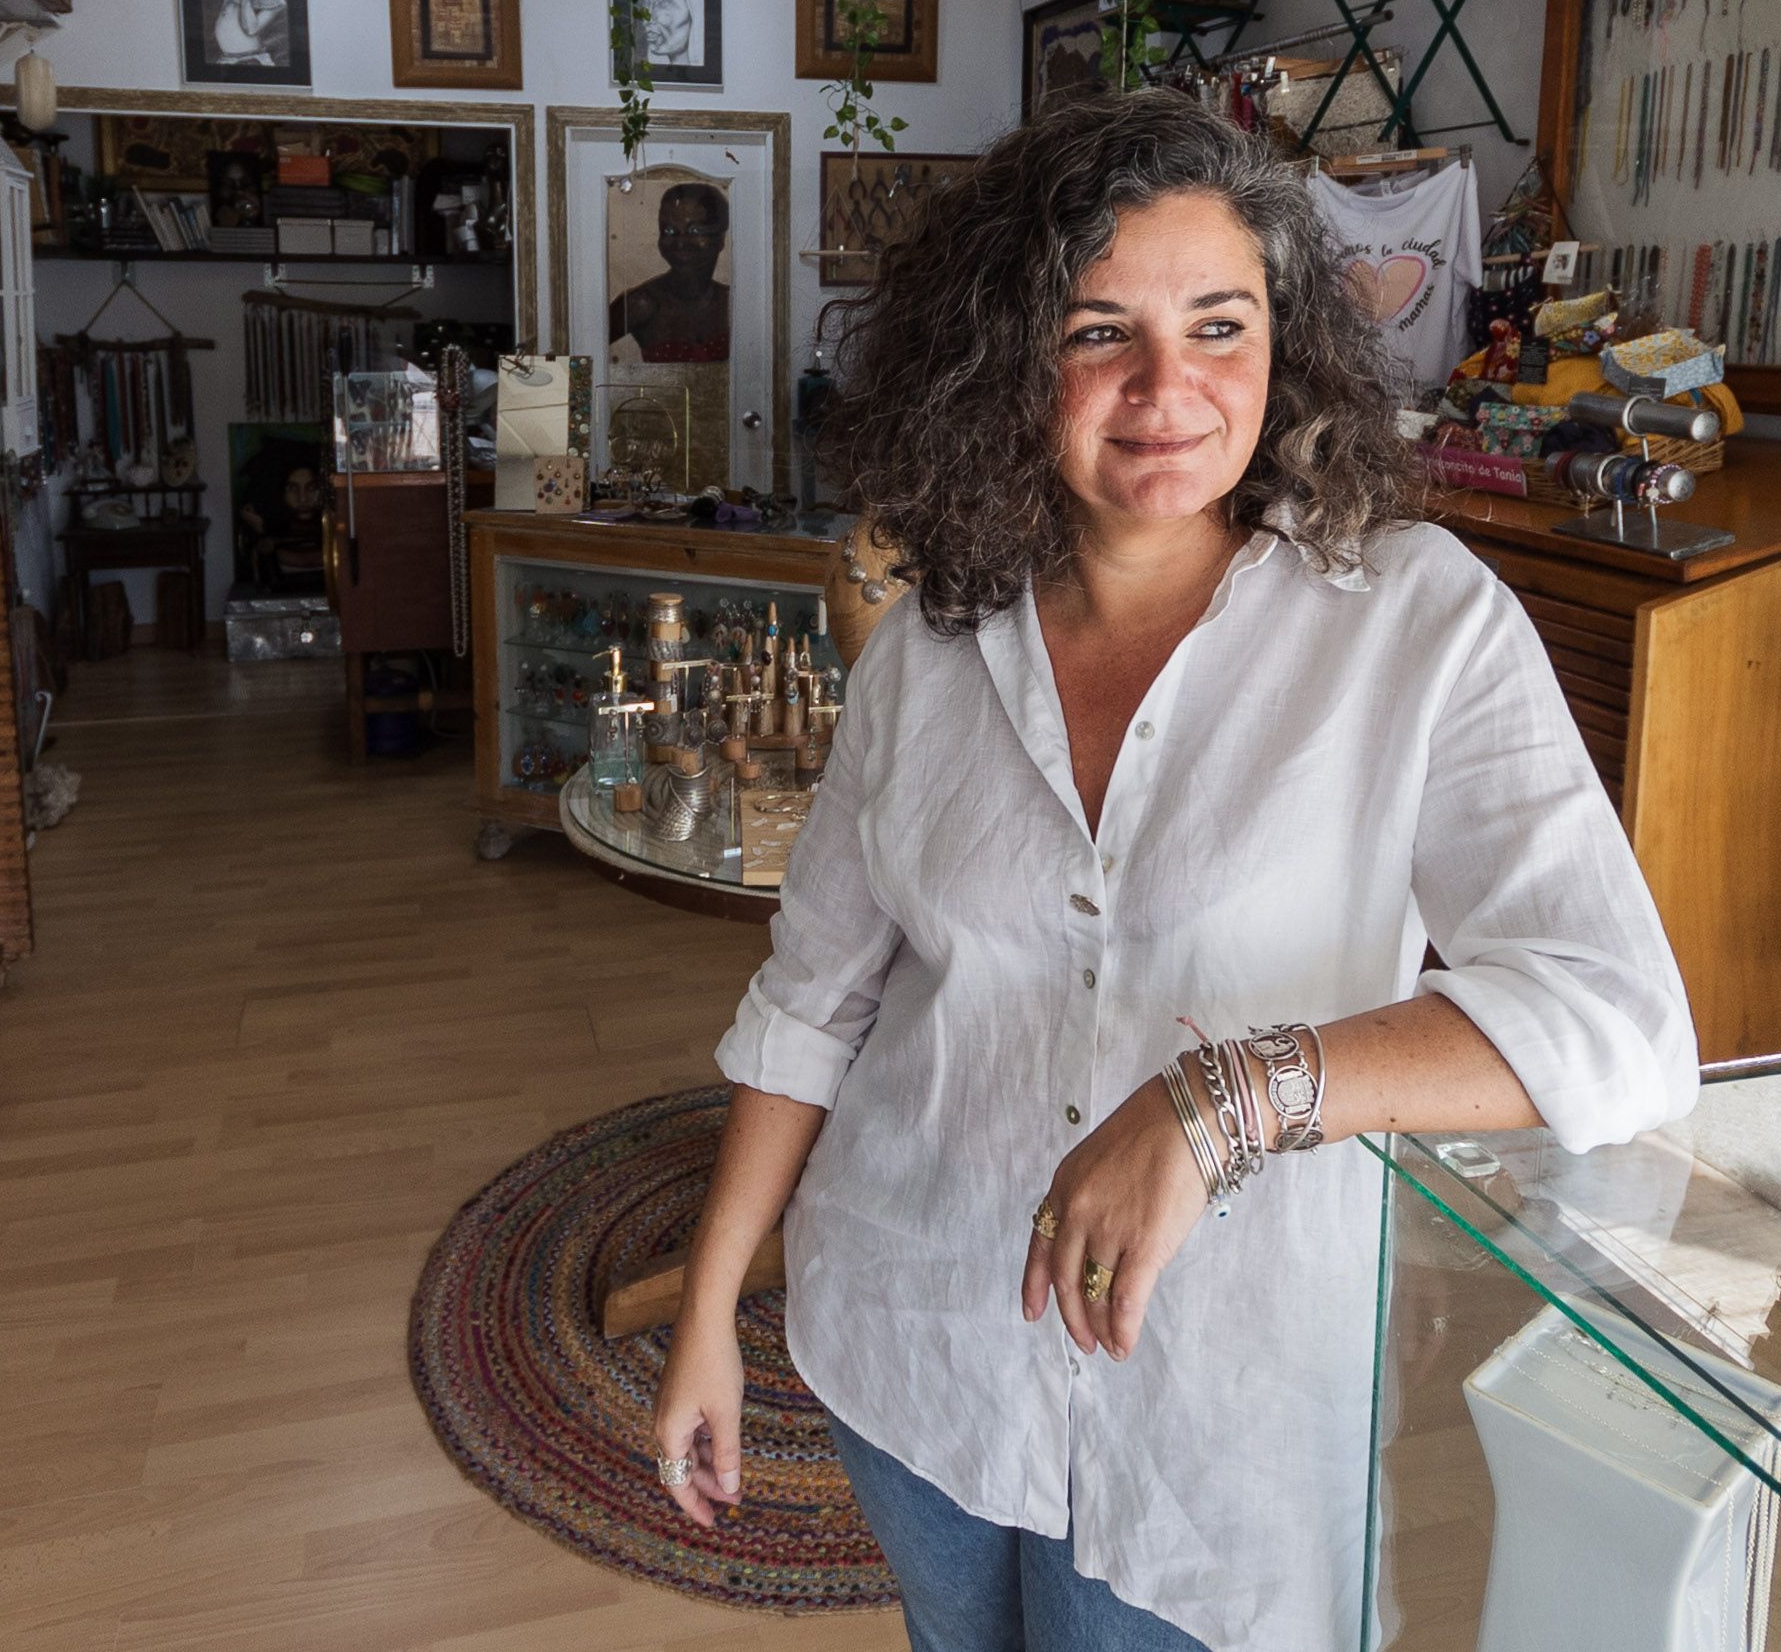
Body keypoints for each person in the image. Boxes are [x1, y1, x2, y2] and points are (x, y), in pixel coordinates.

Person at [649, 88, 1697, 1651]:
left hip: (1219, 1402)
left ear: (1285, 347)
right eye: (1097, 332)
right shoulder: (930, 646)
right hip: (919, 1342)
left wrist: (1223, 1103)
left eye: (1220, 325)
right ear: (1006, 360)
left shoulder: (1414, 621)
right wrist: (708, 1310)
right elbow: (812, 1001)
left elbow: (1619, 1022)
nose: (1167, 389)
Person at [608, 181, 732, 363]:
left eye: (695, 230)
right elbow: (574, 347)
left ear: (720, 239)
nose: (680, 242)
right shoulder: (641, 304)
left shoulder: (732, 304)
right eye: (669, 230)